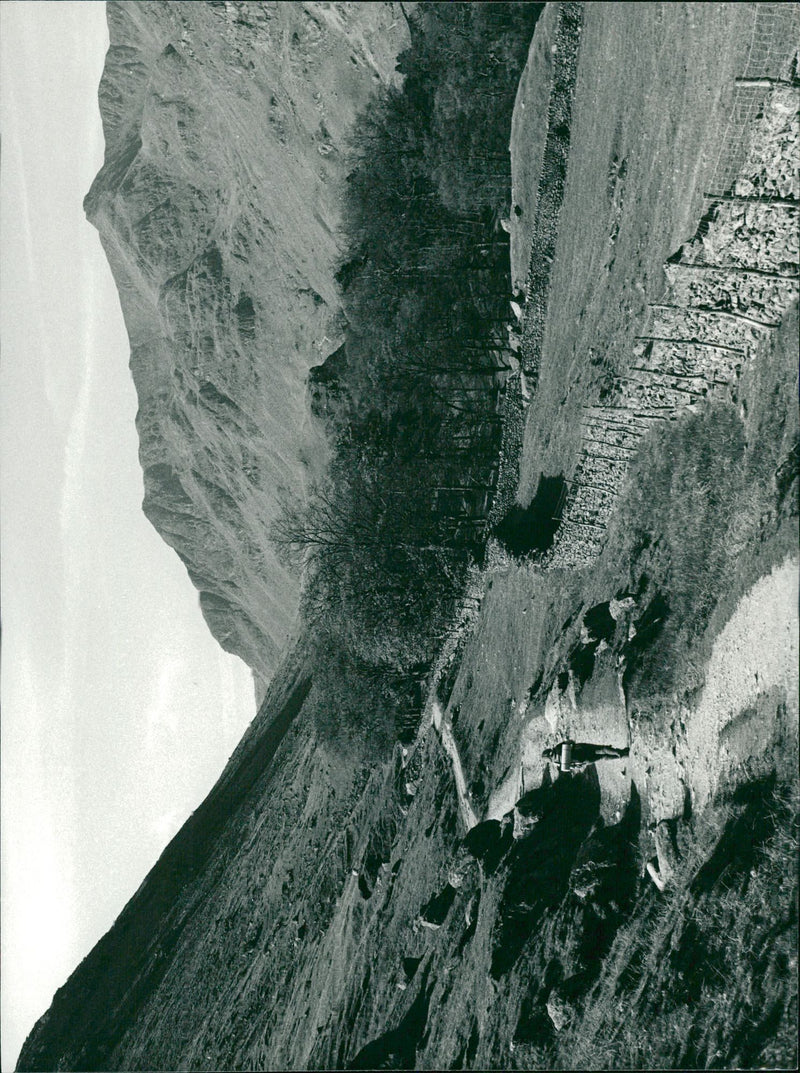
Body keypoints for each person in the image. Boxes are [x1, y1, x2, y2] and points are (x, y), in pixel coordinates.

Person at [542, 739, 628, 773]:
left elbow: (572, 768)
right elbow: (570, 742)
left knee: (602, 757)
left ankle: (622, 755)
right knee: (602, 749)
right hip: (582, 749)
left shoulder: (557, 763)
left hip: (583, 760)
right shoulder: (557, 748)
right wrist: (572, 745)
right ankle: (619, 752)